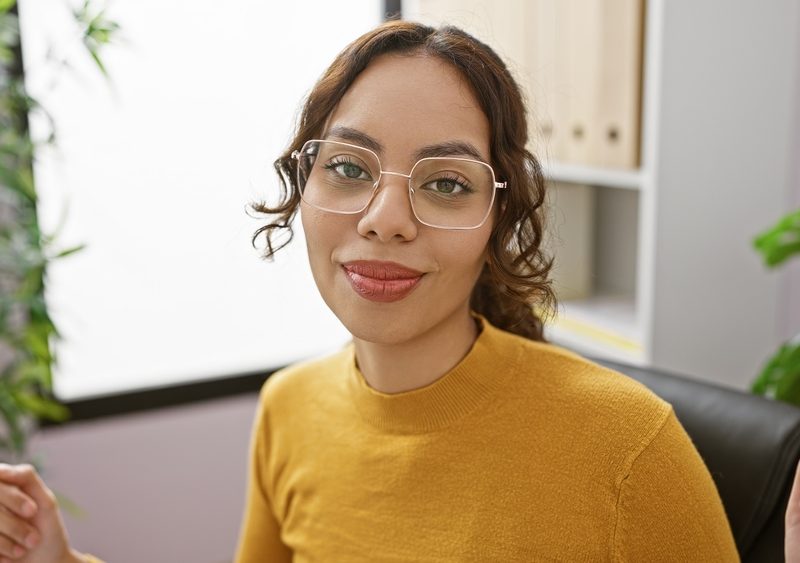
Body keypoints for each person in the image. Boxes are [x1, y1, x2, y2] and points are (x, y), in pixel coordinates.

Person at [0, 19, 766, 562]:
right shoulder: (288, 407)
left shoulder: (629, 448)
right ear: (302, 187)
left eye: (444, 182)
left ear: (498, 219)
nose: (385, 219)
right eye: (349, 167)